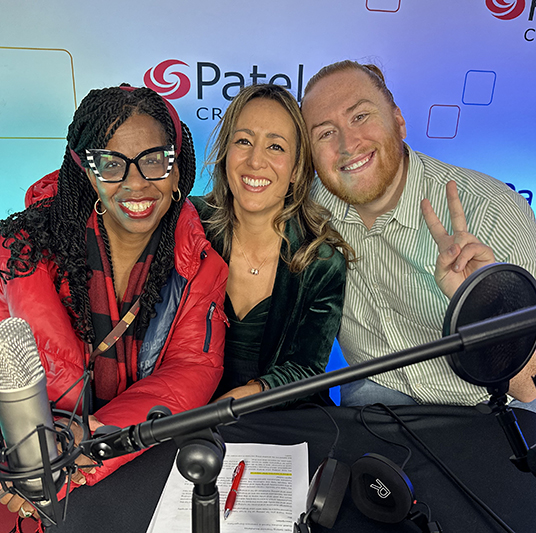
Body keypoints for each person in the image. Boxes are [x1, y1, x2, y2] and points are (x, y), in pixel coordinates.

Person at [0, 86, 227, 524]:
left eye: (155, 160)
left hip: (126, 462)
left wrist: (91, 441)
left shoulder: (202, 265)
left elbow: (191, 370)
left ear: (178, 171)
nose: (136, 182)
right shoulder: (19, 254)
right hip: (20, 477)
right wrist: (18, 457)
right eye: (111, 163)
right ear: (87, 171)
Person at [300, 60, 536, 409]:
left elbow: (528, 389)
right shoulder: (311, 212)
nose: (348, 144)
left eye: (360, 117)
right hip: (376, 396)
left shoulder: (491, 212)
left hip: (484, 405)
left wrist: (482, 305)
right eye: (325, 133)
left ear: (398, 121)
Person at [191, 84, 353, 402]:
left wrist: (250, 394)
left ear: (296, 169)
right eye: (243, 141)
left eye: (275, 147)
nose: (255, 161)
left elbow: (306, 368)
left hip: (283, 417)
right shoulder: (189, 225)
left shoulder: (320, 262)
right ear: (226, 154)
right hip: (188, 412)